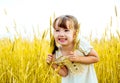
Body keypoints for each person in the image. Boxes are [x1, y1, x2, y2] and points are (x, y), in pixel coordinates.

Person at [46, 15, 99, 83]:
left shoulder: (80, 44)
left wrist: (78, 59)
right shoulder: (57, 52)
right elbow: (64, 73)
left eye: (66, 30)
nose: (61, 34)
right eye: (57, 30)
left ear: (74, 33)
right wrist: (52, 64)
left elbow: (96, 58)